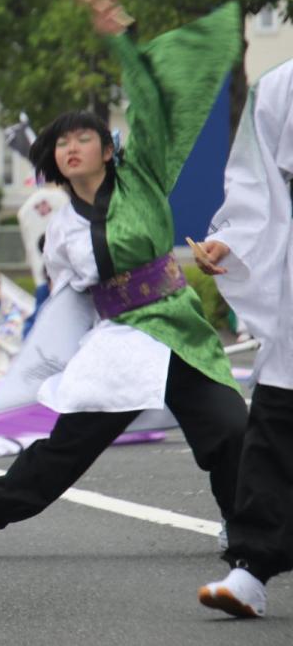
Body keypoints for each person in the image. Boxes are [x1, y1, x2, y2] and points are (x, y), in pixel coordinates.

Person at [0, 0, 248, 561]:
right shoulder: (60, 228)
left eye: (83, 137)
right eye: (61, 142)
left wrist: (119, 40)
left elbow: (149, 106)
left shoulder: (142, 177)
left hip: (180, 332)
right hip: (120, 342)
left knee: (229, 430)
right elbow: (66, 300)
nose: (71, 147)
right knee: (67, 448)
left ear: (107, 147)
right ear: (51, 157)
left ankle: (237, 526)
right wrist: (47, 361)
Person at [194, 57, 293, 618]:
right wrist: (231, 240)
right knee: (278, 417)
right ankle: (251, 568)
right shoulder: (281, 85)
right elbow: (257, 182)